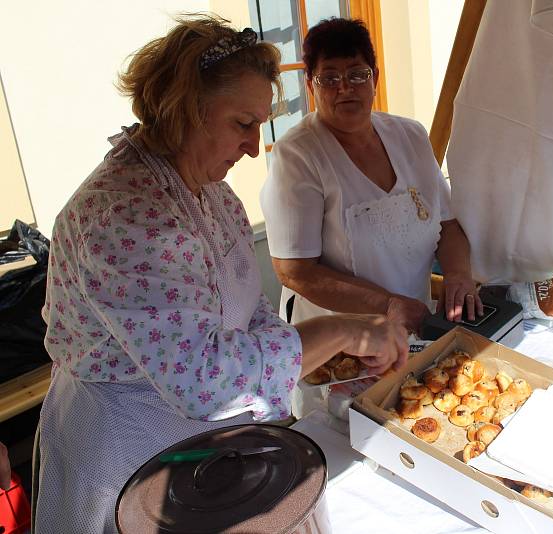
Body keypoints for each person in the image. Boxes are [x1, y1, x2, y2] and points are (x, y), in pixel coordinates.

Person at [35, 15, 408, 532]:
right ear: (186, 110)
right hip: (131, 453)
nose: (256, 146)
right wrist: (340, 328)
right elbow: (203, 378)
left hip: (210, 444)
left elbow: (249, 311)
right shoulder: (123, 216)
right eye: (243, 123)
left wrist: (333, 356)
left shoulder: (213, 196)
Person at [262, 18, 481, 336]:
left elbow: (447, 225)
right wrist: (389, 304)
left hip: (416, 324)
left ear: (375, 77)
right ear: (310, 85)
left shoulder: (411, 136)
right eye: (330, 78)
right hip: (341, 342)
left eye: (357, 74)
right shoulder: (297, 155)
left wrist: (459, 274)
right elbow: (296, 272)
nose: (345, 88)